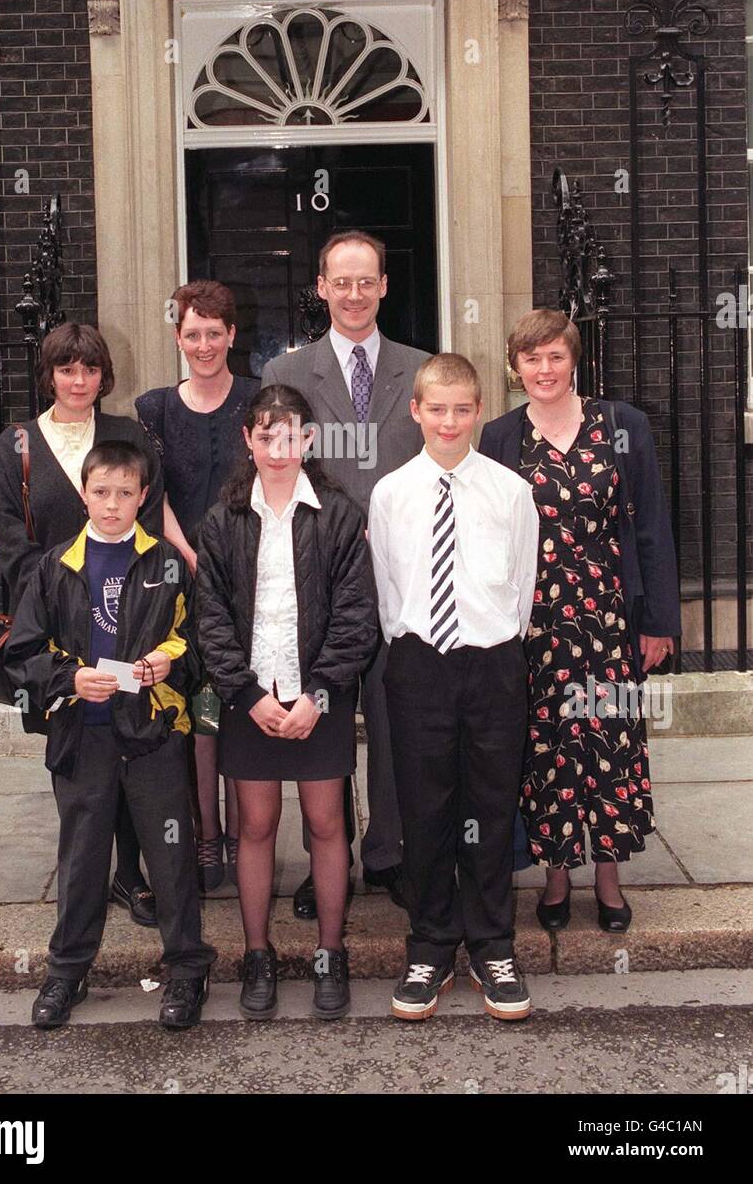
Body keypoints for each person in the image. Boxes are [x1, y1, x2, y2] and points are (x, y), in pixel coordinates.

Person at [479, 309, 681, 932]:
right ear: (515, 367)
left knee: (613, 742)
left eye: (555, 356)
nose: (544, 369)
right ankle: (557, 876)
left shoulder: (623, 426)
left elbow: (650, 524)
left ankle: (611, 879)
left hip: (610, 618)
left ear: (575, 361)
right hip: (536, 624)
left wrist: (659, 622)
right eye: (531, 358)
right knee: (547, 749)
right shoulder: (499, 437)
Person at [5, 440, 215, 1031]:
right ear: (83, 494)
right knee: (81, 858)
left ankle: (186, 971)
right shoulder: (55, 567)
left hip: (153, 735)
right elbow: (22, 653)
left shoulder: (168, 564)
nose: (113, 505)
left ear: (144, 497)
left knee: (171, 858)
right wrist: (71, 677)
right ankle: (66, 972)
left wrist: (170, 662)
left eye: (126, 493)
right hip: (82, 736)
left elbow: (200, 641)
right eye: (101, 492)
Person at [195, 385, 378, 1020]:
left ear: (309, 441)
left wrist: (321, 694)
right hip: (253, 703)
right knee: (257, 827)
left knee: (328, 825)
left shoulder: (341, 516)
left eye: (292, 434)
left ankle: (330, 952)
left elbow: (357, 617)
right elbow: (210, 618)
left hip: (316, 701)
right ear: (247, 439)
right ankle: (257, 954)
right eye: (266, 434)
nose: (279, 447)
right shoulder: (223, 523)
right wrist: (245, 694)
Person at [261, 229, 429, 920]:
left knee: (394, 718)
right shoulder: (289, 374)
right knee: (323, 719)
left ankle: (389, 850)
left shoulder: (422, 370)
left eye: (367, 281)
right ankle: (326, 856)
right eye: (342, 281)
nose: (355, 294)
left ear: (384, 286)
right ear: (322, 288)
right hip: (319, 578)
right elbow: (282, 465)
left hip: (397, 578)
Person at [369, 354, 539, 1022]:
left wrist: (492, 636)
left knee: (492, 809)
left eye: (462, 409)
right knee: (426, 809)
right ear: (415, 411)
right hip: (419, 664)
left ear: (479, 412)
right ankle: (432, 943)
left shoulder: (509, 491)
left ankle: (494, 945)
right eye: (435, 409)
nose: (448, 421)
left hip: (494, 663)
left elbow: (522, 586)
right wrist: (417, 643)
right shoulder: (390, 494)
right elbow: (388, 589)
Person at [0, 322, 165, 929]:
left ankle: (132, 875)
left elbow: (151, 524)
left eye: (89, 369)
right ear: (50, 374)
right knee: (82, 751)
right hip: (59, 624)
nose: (79, 380)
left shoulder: (127, 435)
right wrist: (64, 588)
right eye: (66, 369)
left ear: (103, 374)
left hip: (128, 614)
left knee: (133, 740)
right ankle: (85, 874)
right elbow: (8, 535)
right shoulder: (17, 446)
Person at [136, 281, 258, 893]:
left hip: (249, 581)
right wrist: (190, 553)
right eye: (193, 334)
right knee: (193, 715)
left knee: (236, 706)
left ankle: (243, 838)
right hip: (176, 581)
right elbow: (148, 494)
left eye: (215, 332)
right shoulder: (153, 409)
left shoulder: (260, 402)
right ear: (178, 337)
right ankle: (205, 839)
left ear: (232, 335)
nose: (204, 344)